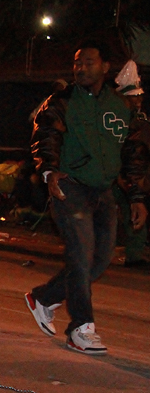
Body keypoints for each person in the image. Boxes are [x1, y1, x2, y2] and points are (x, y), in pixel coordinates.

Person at [25, 41, 148, 355]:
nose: (81, 68)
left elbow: (132, 151)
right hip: (72, 187)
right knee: (80, 256)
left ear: (105, 67)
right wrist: (49, 171)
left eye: (89, 63)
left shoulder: (121, 106)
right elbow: (45, 134)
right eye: (77, 63)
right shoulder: (62, 101)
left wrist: (136, 195)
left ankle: (43, 296)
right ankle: (81, 328)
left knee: (98, 260)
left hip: (103, 190)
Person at [112, 61, 149, 268]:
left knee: (133, 210)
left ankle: (134, 254)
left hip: (132, 175)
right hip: (117, 175)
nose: (137, 102)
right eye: (132, 98)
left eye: (139, 97)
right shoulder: (117, 120)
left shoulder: (139, 121)